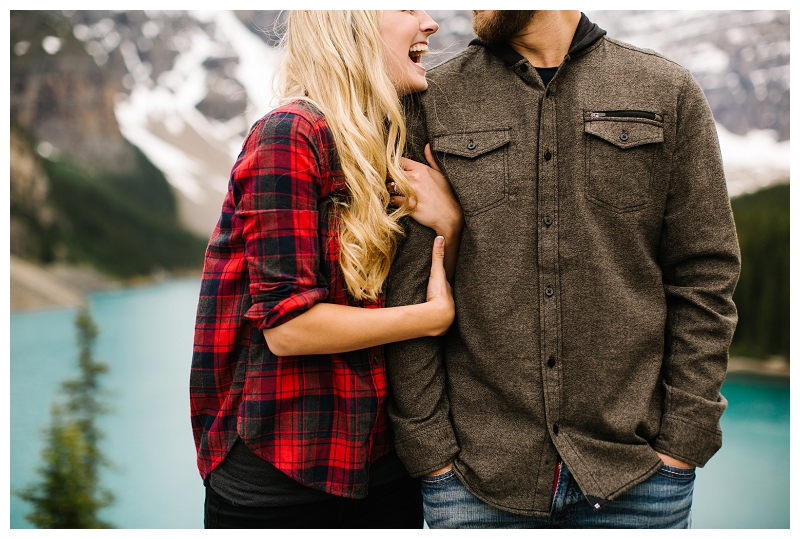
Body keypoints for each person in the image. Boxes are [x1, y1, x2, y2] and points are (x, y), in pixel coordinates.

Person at [384, 10, 741, 528]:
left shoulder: (668, 90)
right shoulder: (428, 98)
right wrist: (431, 452)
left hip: (638, 477)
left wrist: (683, 441)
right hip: (473, 482)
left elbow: (704, 275)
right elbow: (410, 285)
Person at [190, 10, 463, 529]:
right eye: (407, 8)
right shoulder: (289, 135)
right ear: (351, 23)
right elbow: (289, 329)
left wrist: (449, 223)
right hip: (279, 474)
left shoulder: (384, 136)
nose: (429, 22)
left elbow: (423, 287)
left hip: (380, 464)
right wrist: (428, 320)